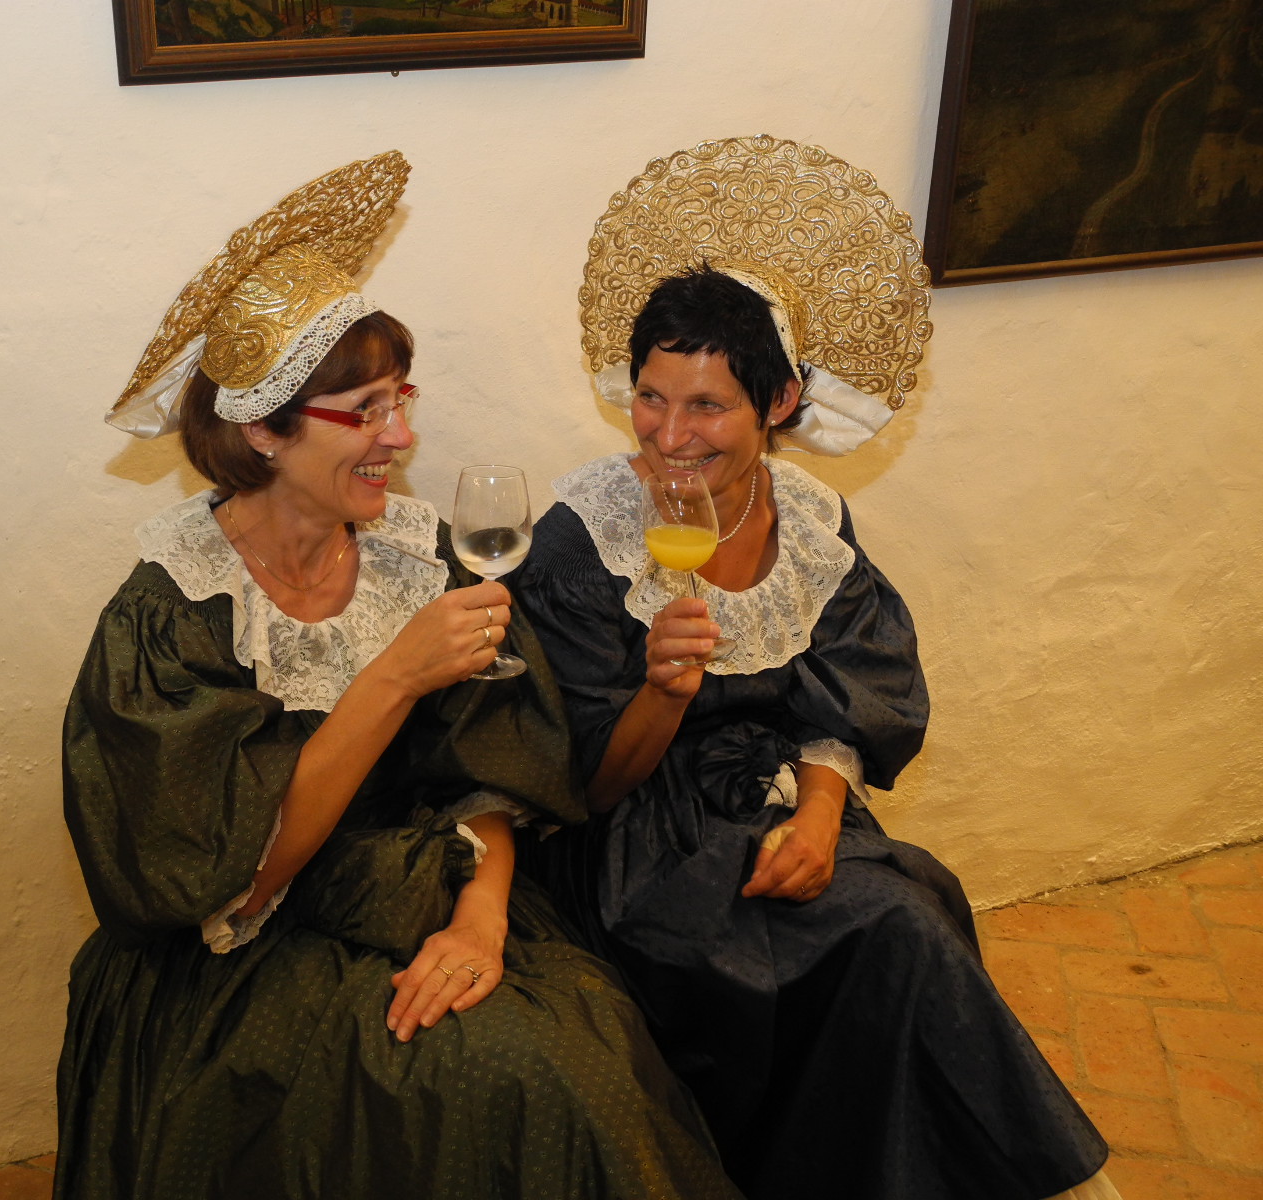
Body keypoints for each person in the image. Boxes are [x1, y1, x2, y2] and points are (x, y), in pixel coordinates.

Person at [54, 152, 736, 1200]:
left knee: (577, 1058)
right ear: (261, 430)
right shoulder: (171, 617)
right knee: (471, 1075)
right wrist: (391, 679)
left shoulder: (418, 561)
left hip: (430, 890)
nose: (402, 437)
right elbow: (233, 882)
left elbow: (491, 775)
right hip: (245, 954)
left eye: (400, 401)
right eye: (365, 411)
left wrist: (483, 920)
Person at [514, 137, 1120, 1200]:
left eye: (707, 406)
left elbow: (853, 691)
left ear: (780, 401)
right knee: (882, 933)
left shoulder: (806, 518)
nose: (668, 436)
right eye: (651, 397)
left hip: (781, 795)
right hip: (637, 847)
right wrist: (663, 690)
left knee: (912, 913)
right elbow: (581, 788)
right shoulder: (586, 535)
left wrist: (822, 817)